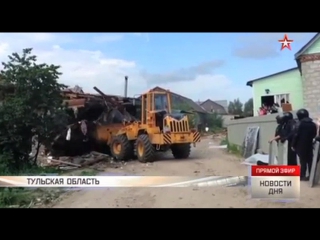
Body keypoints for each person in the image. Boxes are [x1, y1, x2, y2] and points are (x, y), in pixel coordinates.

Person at [292, 109, 317, 181]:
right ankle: (311, 175)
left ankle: (302, 175)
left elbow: (296, 135)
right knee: (310, 160)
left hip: (300, 145)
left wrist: (293, 144)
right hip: (309, 144)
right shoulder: (313, 124)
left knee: (302, 161)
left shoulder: (299, 124)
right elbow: (314, 134)